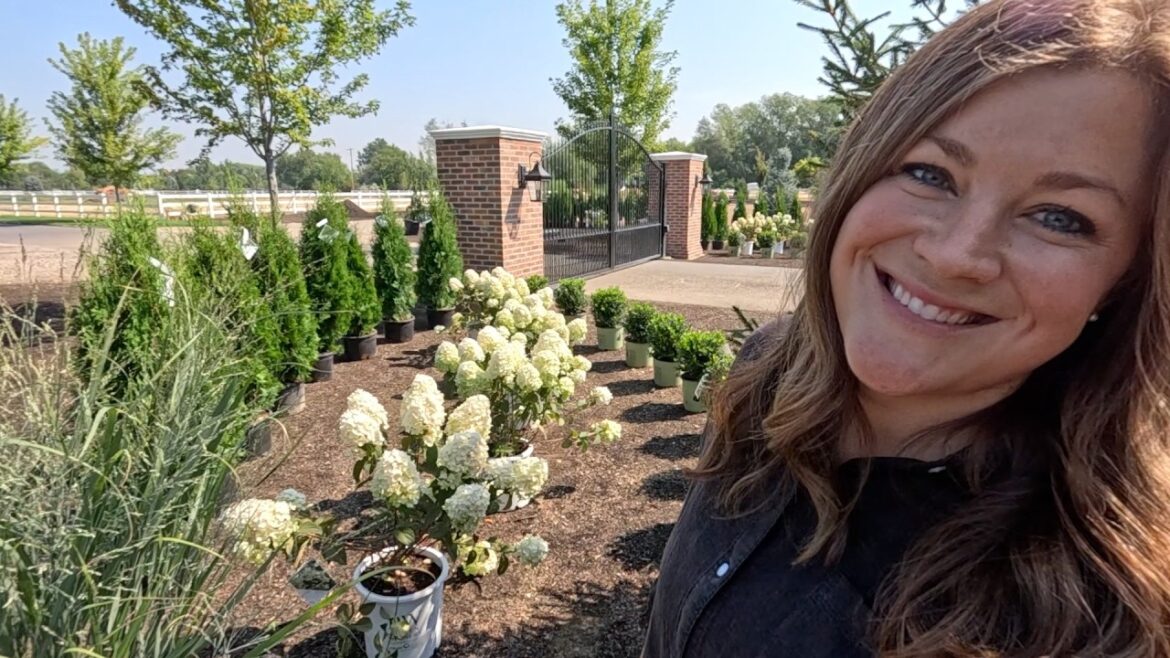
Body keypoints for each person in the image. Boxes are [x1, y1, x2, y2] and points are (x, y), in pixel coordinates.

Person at [643, 1, 1170, 656]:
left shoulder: (1094, 618)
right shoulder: (767, 369)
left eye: (1060, 217)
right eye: (930, 173)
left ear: (1126, 281)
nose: (957, 254)